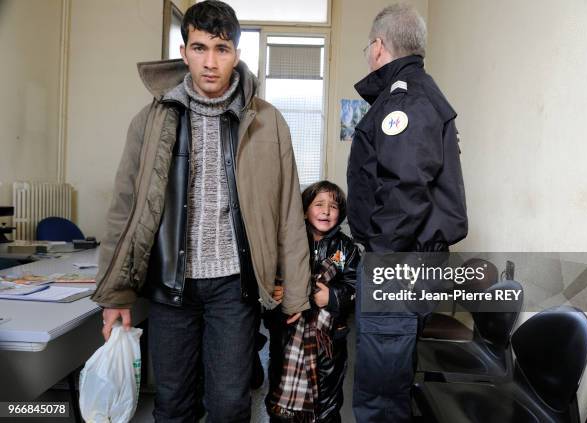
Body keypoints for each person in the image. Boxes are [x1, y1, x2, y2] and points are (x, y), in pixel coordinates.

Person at [92, 1, 310, 422]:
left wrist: (296, 290)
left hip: (235, 286)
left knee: (229, 404)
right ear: (183, 50)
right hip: (172, 285)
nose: (210, 62)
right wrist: (115, 293)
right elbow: (125, 208)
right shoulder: (150, 120)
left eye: (222, 49)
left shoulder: (268, 122)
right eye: (199, 48)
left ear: (237, 55)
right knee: (173, 403)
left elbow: (286, 209)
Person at [346, 3, 468, 422]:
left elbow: (404, 189)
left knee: (381, 390)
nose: (368, 54)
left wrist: (380, 256)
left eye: (368, 47)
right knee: (393, 373)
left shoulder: (405, 100)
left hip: (396, 263)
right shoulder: (418, 93)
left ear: (379, 46)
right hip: (408, 261)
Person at [266, 181, 360, 422]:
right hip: (288, 336)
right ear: (305, 208)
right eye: (319, 204)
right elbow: (270, 277)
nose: (326, 211)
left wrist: (333, 296)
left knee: (327, 402)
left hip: (329, 342)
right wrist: (276, 290)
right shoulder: (287, 244)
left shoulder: (346, 248)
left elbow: (356, 286)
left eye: (333, 206)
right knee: (281, 390)